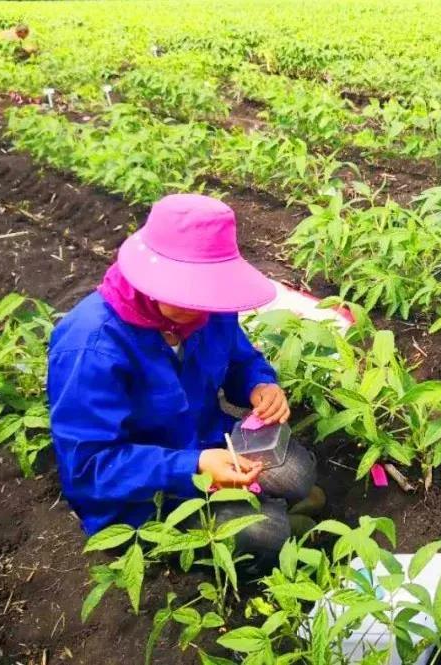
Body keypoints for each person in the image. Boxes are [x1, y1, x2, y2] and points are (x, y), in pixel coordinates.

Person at [47, 194, 321, 574]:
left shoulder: (208, 309)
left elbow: (241, 360)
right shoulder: (90, 346)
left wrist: (260, 386)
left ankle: (270, 510)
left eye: (210, 290)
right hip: (144, 494)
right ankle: (271, 525)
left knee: (298, 473)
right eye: (190, 291)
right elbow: (90, 467)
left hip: (209, 441)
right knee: (264, 534)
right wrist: (192, 466)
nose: (203, 306)